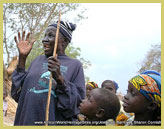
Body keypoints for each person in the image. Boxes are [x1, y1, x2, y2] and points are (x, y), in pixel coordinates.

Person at [11, 21, 85, 125]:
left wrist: (60, 79)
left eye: (50, 36)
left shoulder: (75, 65)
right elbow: (17, 94)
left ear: (64, 41)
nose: (44, 39)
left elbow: (75, 107)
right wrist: (22, 59)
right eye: (45, 35)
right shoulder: (37, 61)